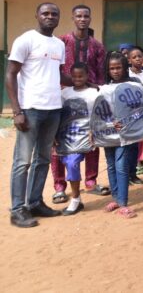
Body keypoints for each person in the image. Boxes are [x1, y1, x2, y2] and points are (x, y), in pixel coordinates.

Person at [7, 3, 69, 228]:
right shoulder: (25, 40)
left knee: (43, 159)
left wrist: (87, 83)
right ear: (37, 16)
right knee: (22, 161)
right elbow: (10, 74)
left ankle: (35, 203)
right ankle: (17, 210)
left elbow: (58, 75)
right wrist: (17, 111)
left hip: (53, 109)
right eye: (45, 13)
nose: (50, 17)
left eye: (54, 14)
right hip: (30, 109)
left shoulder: (59, 44)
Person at [52, 4, 108, 205]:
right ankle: (59, 186)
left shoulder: (98, 46)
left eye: (86, 16)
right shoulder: (61, 42)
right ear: (73, 18)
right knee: (58, 141)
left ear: (90, 18)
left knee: (92, 139)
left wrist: (97, 92)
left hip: (88, 98)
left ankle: (91, 181)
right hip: (63, 96)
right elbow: (54, 68)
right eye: (79, 16)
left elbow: (100, 74)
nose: (82, 19)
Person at [57, 63, 99, 216]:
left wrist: (96, 131)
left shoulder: (94, 93)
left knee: (73, 163)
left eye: (81, 76)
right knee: (70, 164)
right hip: (68, 135)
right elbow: (58, 114)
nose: (77, 79)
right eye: (74, 76)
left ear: (87, 76)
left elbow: (100, 113)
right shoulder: (64, 93)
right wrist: (55, 134)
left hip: (87, 135)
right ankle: (77, 198)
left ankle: (75, 199)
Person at [102, 53, 140, 218]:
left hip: (126, 133)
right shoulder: (104, 88)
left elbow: (140, 109)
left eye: (118, 68)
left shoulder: (133, 86)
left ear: (125, 68)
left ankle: (123, 203)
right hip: (108, 133)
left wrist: (127, 122)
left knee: (121, 165)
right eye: (112, 68)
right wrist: (109, 124)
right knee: (111, 165)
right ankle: (116, 198)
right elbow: (100, 112)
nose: (115, 71)